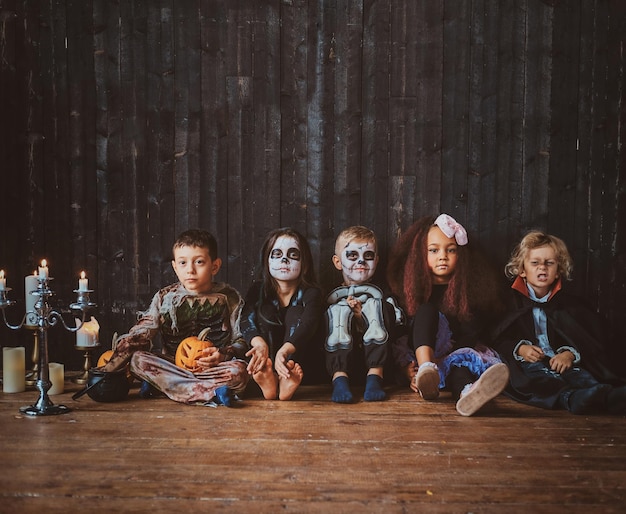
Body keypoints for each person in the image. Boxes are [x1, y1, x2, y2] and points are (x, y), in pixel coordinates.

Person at [101, 229, 249, 406]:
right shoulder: (165, 297)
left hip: (212, 368)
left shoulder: (230, 298)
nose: (190, 270)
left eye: (199, 262)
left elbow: (242, 340)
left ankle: (164, 386)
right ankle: (212, 393)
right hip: (172, 365)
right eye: (183, 263)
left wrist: (223, 354)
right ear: (175, 267)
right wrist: (127, 345)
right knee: (137, 360)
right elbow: (145, 329)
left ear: (214, 266)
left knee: (239, 370)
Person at [386, 214, 509, 416]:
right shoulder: (413, 292)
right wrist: (405, 369)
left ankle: (467, 394)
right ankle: (427, 373)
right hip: (422, 356)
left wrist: (450, 359)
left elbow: (469, 335)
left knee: (461, 369)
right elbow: (404, 332)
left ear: (461, 255)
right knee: (426, 310)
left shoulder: (470, 293)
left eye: (450, 250)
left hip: (456, 352)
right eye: (434, 250)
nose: (442, 256)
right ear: (420, 255)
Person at [492, 231, 626, 415]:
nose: (543, 268)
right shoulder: (508, 303)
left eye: (549, 263)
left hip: (560, 361)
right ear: (522, 270)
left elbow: (585, 339)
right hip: (529, 364)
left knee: (580, 375)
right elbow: (496, 337)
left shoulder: (570, 305)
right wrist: (521, 349)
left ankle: (606, 396)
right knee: (540, 379)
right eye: (535, 263)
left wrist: (569, 354)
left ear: (558, 271)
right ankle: (572, 399)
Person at [240, 227, 323, 400]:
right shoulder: (258, 289)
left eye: (293, 255)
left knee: (295, 312)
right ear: (267, 261)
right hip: (266, 359)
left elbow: (310, 322)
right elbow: (246, 318)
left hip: (301, 362)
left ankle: (286, 376)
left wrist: (286, 351)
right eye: (277, 254)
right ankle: (269, 377)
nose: (284, 259)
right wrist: (259, 343)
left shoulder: (311, 292)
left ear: (305, 264)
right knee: (266, 310)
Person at [325, 226, 404, 403]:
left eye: (367, 256)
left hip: (380, 367)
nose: (361, 261)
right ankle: (339, 378)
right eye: (352, 255)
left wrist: (364, 317)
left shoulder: (384, 295)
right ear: (338, 262)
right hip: (343, 364)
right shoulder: (331, 297)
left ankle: (375, 377)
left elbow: (398, 324)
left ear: (376, 261)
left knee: (378, 305)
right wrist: (350, 315)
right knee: (337, 311)